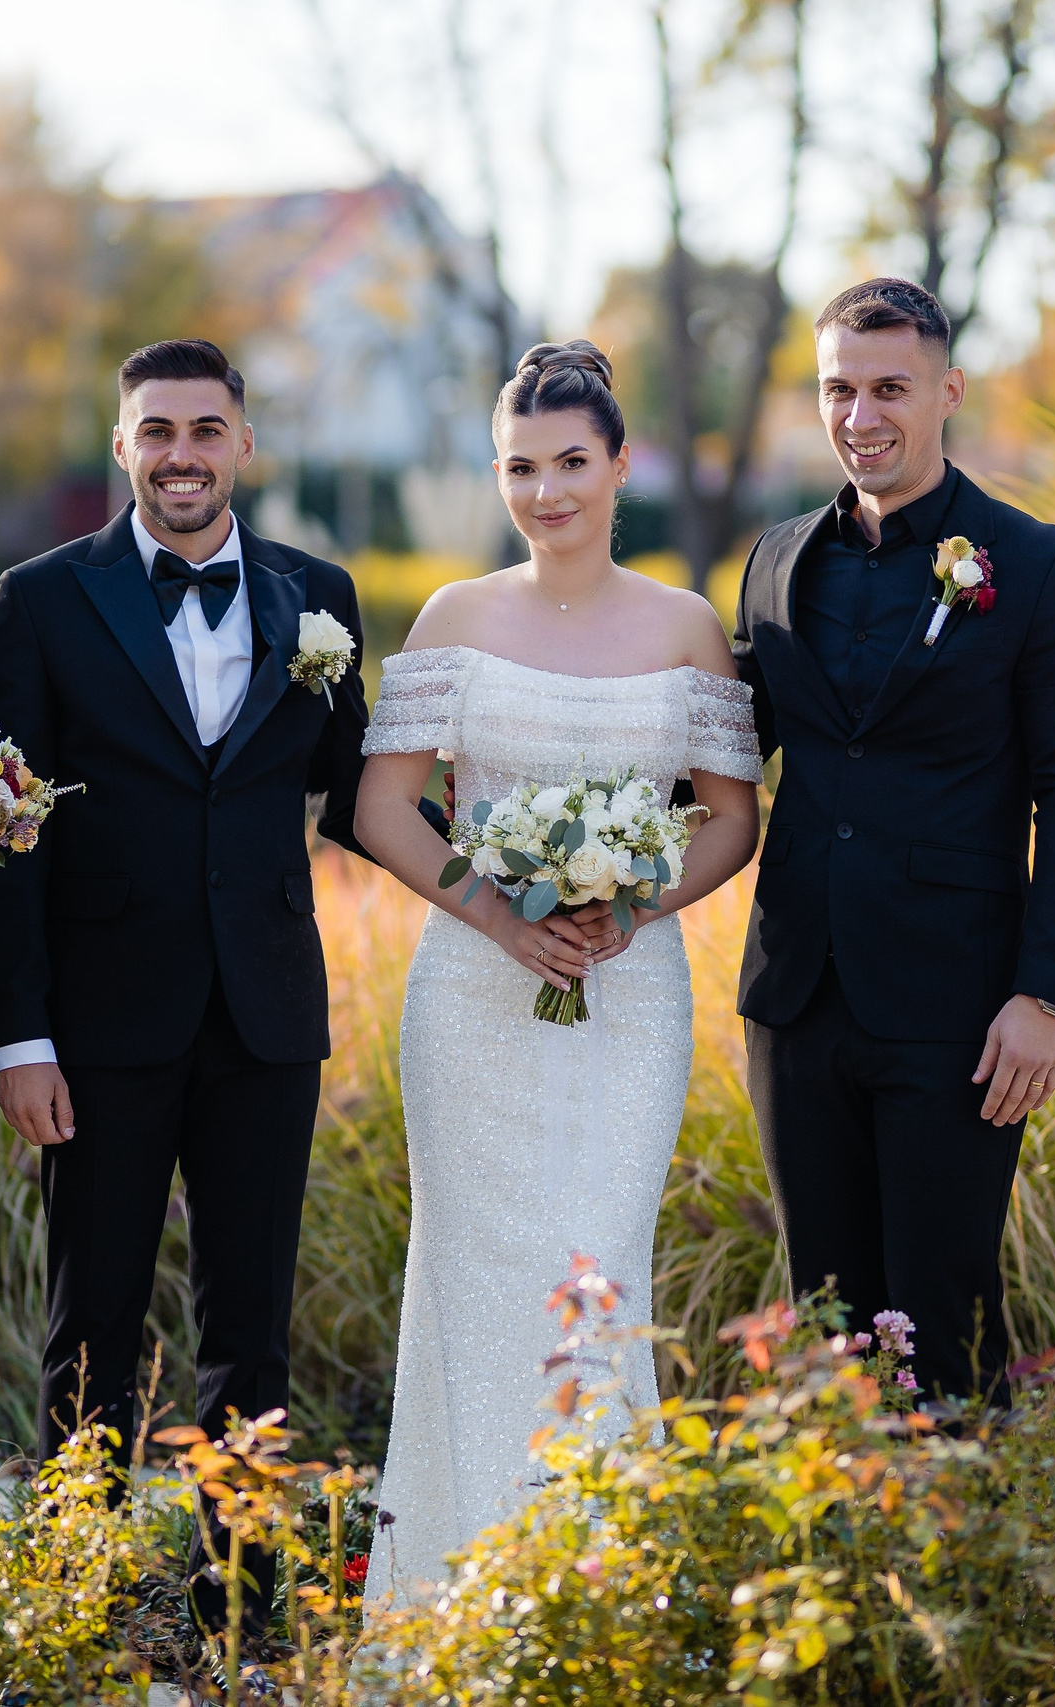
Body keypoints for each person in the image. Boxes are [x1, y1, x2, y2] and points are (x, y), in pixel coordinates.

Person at [350, 341, 764, 1606]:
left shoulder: (686, 625)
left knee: (598, 1272)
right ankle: (454, 1602)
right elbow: (381, 808)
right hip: (475, 998)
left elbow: (734, 820)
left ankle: (594, 1598)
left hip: (626, 998)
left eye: (571, 463)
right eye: (521, 467)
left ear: (620, 464)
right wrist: (498, 914)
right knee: (475, 1280)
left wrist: (637, 905)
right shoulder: (454, 619)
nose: (547, 492)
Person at [0, 337, 371, 1637]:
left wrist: (523, 863)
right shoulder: (41, 603)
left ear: (244, 443)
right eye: (158, 431)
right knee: (89, 1313)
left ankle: (241, 1595)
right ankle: (69, 1589)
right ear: (123, 445)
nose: (183, 454)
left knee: (249, 1323)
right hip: (96, 1022)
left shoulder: (322, 594)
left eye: (207, 429)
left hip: (263, 1013)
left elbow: (366, 791)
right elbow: (8, 839)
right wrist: (19, 1034)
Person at [731, 278, 1055, 1404]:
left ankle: (960, 1569)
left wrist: (1045, 997)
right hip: (797, 997)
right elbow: (722, 754)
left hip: (959, 1013)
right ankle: (852, 1572)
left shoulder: (1038, 565)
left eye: (888, 388)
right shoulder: (774, 559)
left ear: (946, 391)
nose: (860, 416)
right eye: (837, 390)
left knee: (939, 1329)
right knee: (832, 1328)